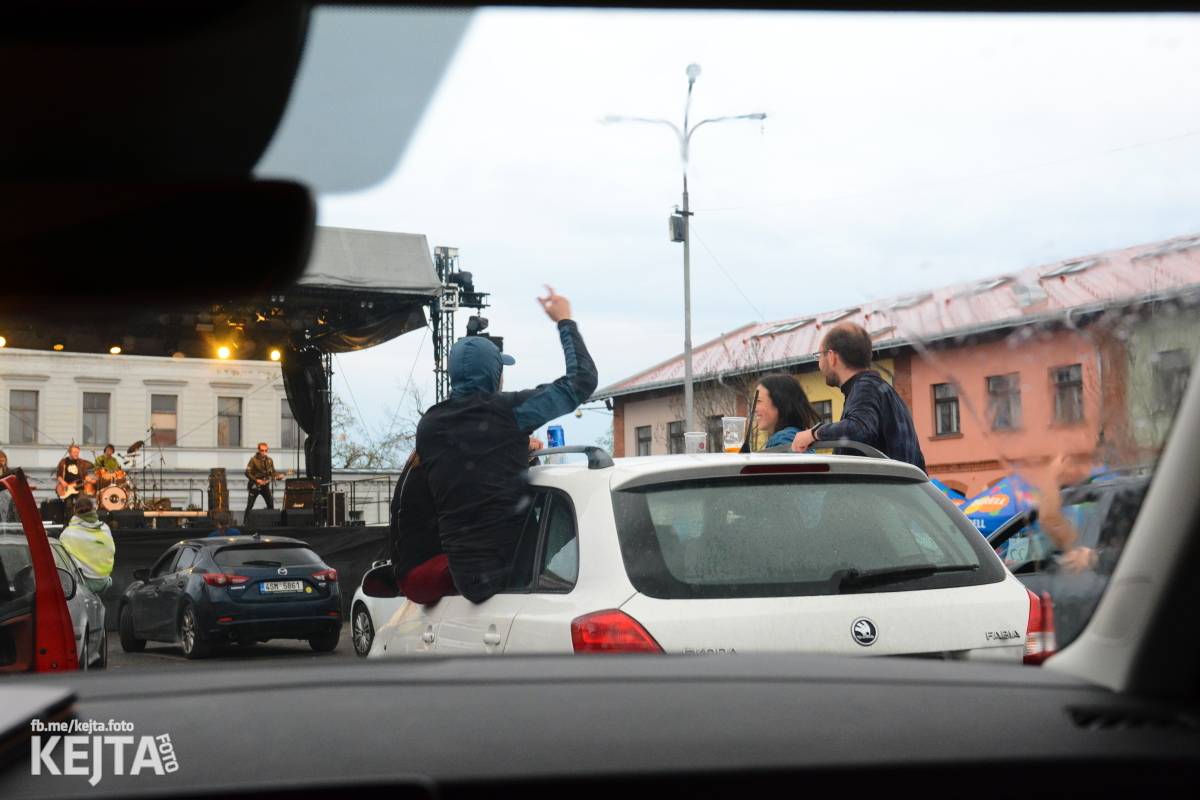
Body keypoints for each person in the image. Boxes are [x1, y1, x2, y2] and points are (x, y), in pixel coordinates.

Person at [407, 285, 597, 605]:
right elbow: (582, 380)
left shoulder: (429, 425)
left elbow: (468, 467)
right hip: (512, 569)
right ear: (496, 376)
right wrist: (565, 321)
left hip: (465, 576)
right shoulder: (510, 412)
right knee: (585, 505)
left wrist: (515, 448)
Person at [790, 322, 926, 471]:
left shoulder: (865, 388)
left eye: (819, 356)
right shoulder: (881, 390)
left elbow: (860, 429)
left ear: (831, 357)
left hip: (878, 492)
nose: (819, 363)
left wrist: (814, 434)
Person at [59, 497, 115, 595]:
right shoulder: (105, 528)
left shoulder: (68, 534)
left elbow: (62, 566)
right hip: (105, 581)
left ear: (74, 511)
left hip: (83, 584)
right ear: (94, 509)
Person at [751, 374, 822, 450]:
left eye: (758, 401)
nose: (754, 408)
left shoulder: (781, 440)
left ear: (779, 403)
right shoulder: (798, 437)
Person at [55, 444, 94, 518]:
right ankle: (69, 521)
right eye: (75, 452)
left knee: (82, 503)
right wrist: (63, 482)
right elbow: (58, 475)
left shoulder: (81, 462)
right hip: (67, 488)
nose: (77, 454)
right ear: (70, 452)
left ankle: (82, 520)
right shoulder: (63, 462)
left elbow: (85, 475)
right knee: (68, 505)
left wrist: (89, 479)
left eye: (78, 452)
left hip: (79, 486)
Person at [244, 442, 281, 516]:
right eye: (262, 450)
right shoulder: (253, 460)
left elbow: (273, 472)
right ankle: (245, 523)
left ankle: (271, 522)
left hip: (265, 486)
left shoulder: (269, 460)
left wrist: (279, 476)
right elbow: (247, 472)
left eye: (266, 450)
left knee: (270, 504)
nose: (264, 452)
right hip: (254, 486)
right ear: (258, 450)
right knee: (250, 506)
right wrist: (256, 480)